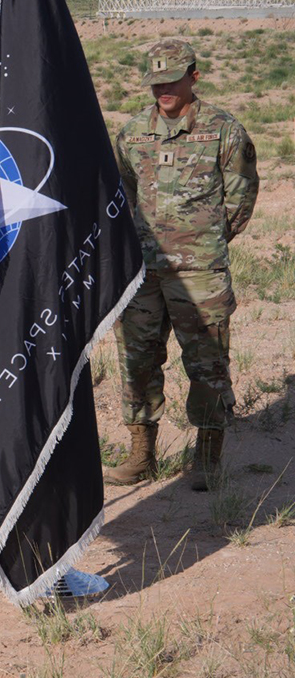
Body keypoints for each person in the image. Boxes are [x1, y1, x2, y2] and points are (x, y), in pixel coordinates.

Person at [106, 39, 258, 491]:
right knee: (137, 360)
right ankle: (141, 454)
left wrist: (203, 243)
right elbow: (123, 194)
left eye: (171, 80)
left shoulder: (224, 130)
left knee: (207, 362)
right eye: (156, 82)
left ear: (194, 75)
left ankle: (207, 458)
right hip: (144, 273)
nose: (163, 90)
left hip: (200, 274)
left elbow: (241, 197)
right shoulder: (132, 134)